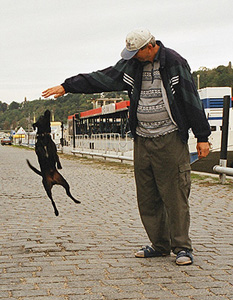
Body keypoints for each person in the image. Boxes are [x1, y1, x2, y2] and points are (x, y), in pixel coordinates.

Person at [42, 29, 210, 265]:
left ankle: (182, 247)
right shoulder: (132, 65)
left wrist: (202, 136)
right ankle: (159, 245)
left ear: (149, 47)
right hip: (142, 138)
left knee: (174, 194)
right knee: (148, 196)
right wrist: (67, 85)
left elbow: (189, 97)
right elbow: (100, 78)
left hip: (169, 138)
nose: (131, 57)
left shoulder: (174, 63)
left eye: (136, 53)